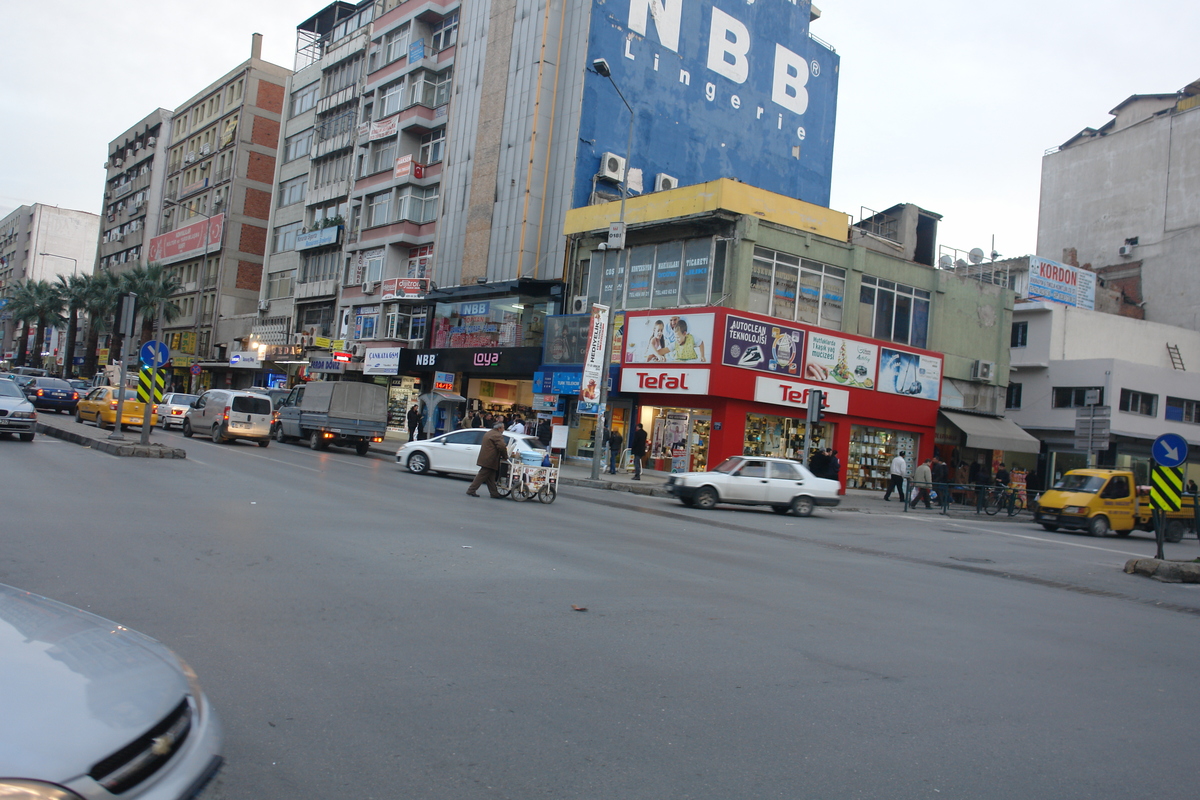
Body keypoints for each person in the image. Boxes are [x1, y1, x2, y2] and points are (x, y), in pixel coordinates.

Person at [466, 422, 507, 498]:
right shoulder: (497, 435)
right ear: (499, 428)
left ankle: (494, 493)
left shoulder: (489, 433)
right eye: (503, 428)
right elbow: (501, 447)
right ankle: (471, 490)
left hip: (486, 457)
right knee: (482, 475)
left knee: (490, 477)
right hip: (490, 458)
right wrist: (505, 456)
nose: (504, 429)